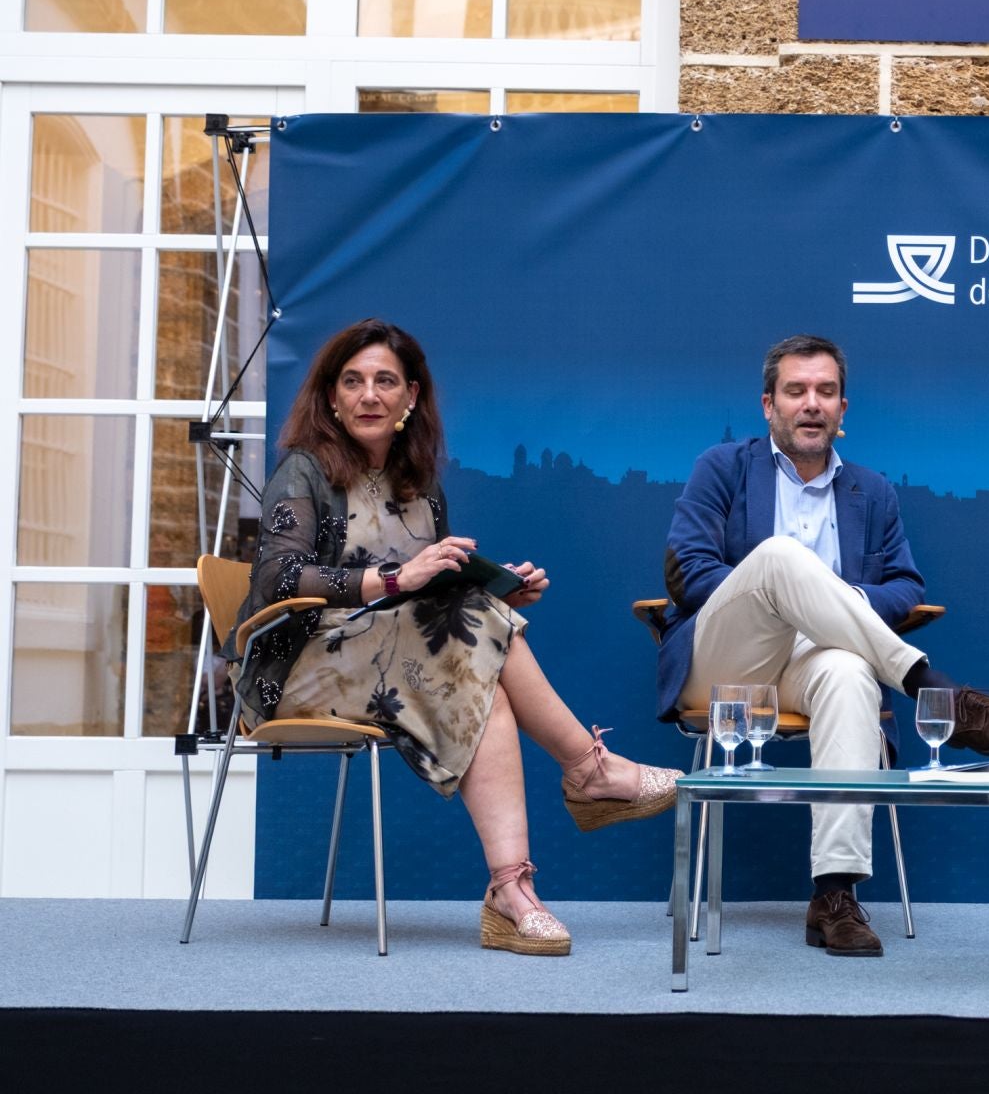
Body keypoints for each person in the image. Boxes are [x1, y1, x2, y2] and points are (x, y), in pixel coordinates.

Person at [230, 319, 679, 957]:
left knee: (483, 674)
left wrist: (497, 591)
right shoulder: (303, 471)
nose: (368, 395)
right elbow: (276, 578)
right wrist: (392, 578)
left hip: (390, 660)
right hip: (301, 667)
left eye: (385, 381)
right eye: (352, 382)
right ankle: (588, 769)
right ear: (331, 398)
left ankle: (510, 891)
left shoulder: (421, 489)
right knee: (477, 648)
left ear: (411, 397)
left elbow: (429, 602)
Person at [657, 334, 989, 957]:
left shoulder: (871, 491)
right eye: (796, 391)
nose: (811, 404)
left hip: (812, 663)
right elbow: (688, 568)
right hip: (725, 663)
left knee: (849, 670)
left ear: (844, 409)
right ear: (768, 405)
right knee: (778, 558)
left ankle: (834, 893)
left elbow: (907, 585)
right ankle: (934, 691)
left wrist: (830, 607)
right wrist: (783, 591)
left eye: (825, 392)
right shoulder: (723, 467)